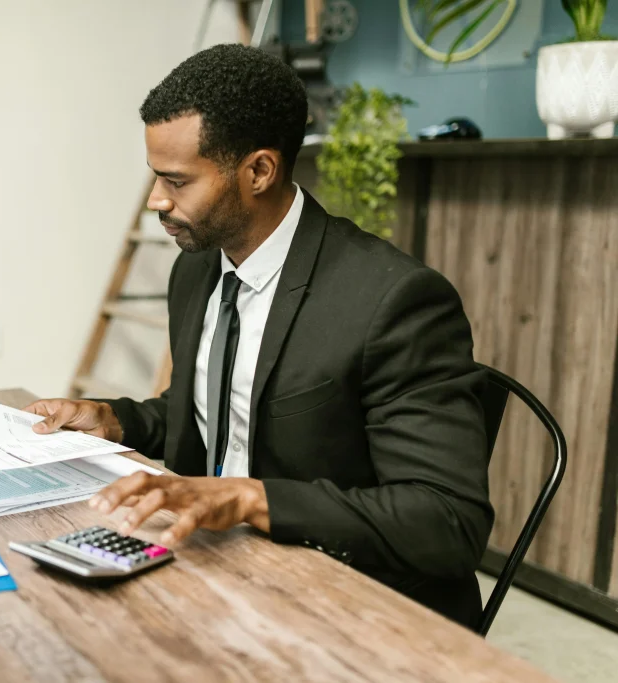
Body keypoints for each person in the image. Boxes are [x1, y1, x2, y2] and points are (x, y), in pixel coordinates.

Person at [25, 44, 493, 629]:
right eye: (154, 177)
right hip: (221, 569)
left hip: (353, 600)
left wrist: (249, 497)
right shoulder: (197, 267)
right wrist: (113, 419)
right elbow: (210, 412)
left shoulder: (393, 301)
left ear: (260, 171)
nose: (156, 202)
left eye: (177, 181)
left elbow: (447, 522)